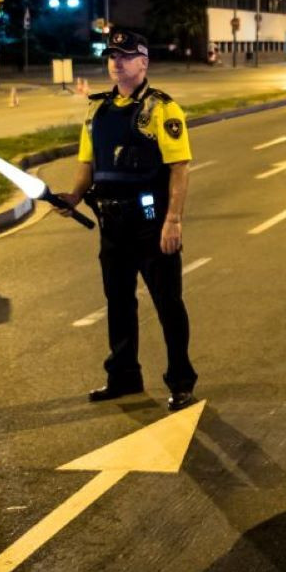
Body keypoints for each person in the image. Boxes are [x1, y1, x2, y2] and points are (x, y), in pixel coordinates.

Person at [57, 28, 198, 412]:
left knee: (168, 303)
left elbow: (179, 167)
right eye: (112, 55)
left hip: (151, 221)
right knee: (118, 302)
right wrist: (72, 196)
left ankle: (181, 381)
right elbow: (88, 164)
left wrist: (173, 220)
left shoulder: (162, 109)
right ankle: (123, 376)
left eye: (125, 55)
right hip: (112, 223)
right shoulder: (97, 110)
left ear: (143, 62)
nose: (116, 62)